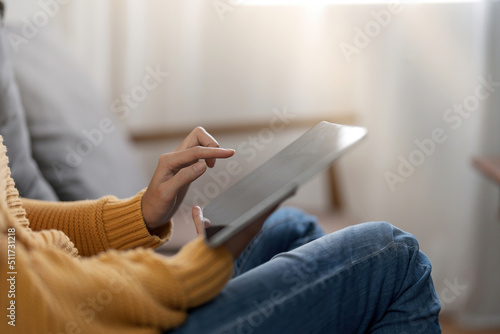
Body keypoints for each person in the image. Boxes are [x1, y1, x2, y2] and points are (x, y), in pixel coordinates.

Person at [0, 6, 441, 334]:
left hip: (78, 288)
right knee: (393, 255)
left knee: (290, 226)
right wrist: (194, 268)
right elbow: (35, 301)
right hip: (94, 317)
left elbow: (14, 225)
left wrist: (138, 214)